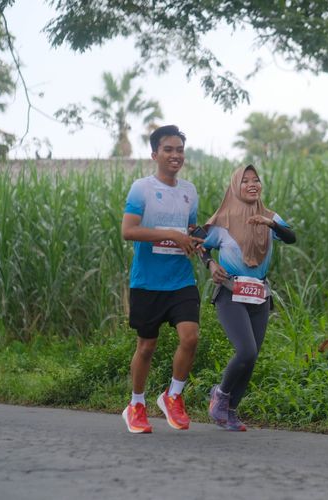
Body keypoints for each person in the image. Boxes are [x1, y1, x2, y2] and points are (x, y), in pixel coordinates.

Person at [120, 125, 204, 434]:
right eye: (168, 149)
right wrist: (169, 234)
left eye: (180, 150)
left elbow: (189, 230)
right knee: (146, 346)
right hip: (147, 281)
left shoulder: (189, 191)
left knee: (190, 337)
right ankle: (136, 404)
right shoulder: (141, 188)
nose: (175, 155)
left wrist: (199, 241)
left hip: (180, 279)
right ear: (155, 154)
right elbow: (128, 231)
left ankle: (173, 396)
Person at [200, 165, 296, 431]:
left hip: (259, 295)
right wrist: (210, 264)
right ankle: (219, 395)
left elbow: (291, 237)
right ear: (235, 186)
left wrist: (271, 224)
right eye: (245, 181)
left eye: (256, 180)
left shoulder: (270, 217)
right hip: (230, 292)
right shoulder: (223, 221)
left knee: (252, 357)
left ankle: (230, 412)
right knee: (246, 350)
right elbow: (200, 245)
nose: (252, 184)